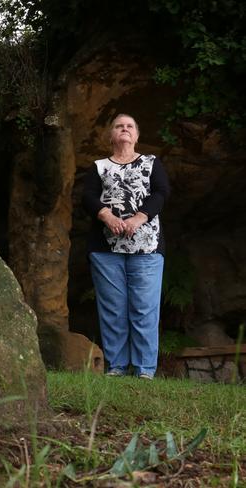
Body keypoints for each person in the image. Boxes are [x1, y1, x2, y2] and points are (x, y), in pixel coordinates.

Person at [82, 114, 170, 379]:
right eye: (119, 126)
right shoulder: (98, 167)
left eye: (130, 126)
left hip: (147, 248)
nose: (124, 129)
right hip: (106, 249)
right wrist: (106, 216)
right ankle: (117, 367)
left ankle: (144, 370)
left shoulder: (151, 163)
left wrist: (139, 218)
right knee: (113, 309)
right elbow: (87, 197)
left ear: (137, 135)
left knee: (144, 308)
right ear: (111, 136)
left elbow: (162, 192)